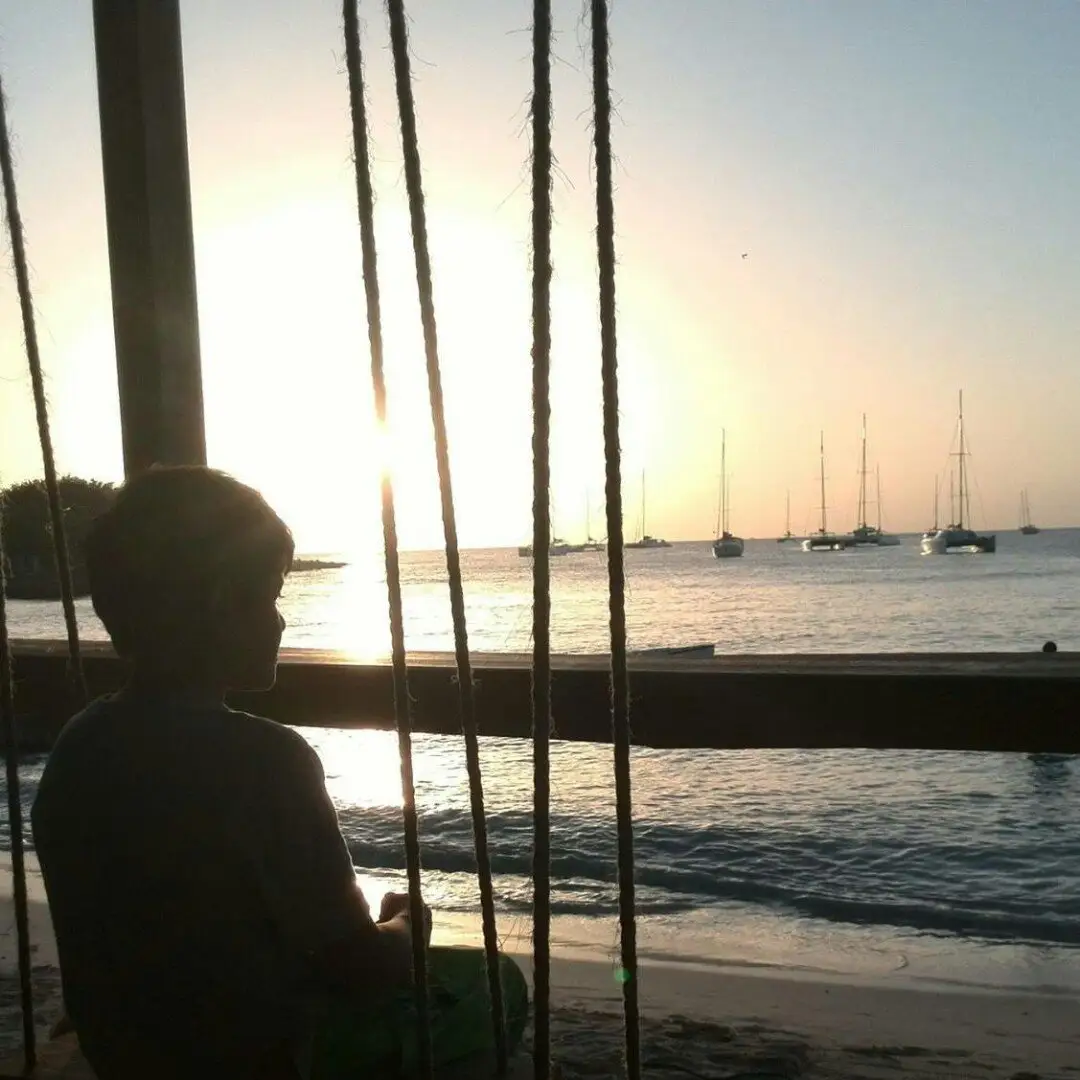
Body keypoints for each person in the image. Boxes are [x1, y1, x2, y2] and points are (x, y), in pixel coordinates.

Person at [31, 467, 525, 1080]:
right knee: (494, 981)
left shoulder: (81, 743)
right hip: (259, 1058)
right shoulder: (265, 759)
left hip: (125, 1052)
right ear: (218, 601)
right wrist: (407, 925)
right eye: (269, 595)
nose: (280, 620)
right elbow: (359, 965)